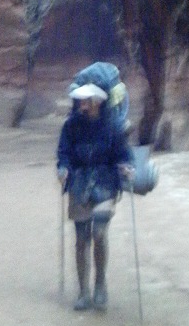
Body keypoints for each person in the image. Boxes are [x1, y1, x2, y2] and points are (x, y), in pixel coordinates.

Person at [56, 82, 133, 312]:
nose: (82, 104)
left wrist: (126, 167)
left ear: (98, 102)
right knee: (81, 239)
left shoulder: (114, 126)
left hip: (106, 184)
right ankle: (83, 292)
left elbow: (125, 155)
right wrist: (63, 168)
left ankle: (100, 283)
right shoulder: (71, 125)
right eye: (81, 100)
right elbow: (63, 153)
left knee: (99, 233)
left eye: (86, 100)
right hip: (79, 184)